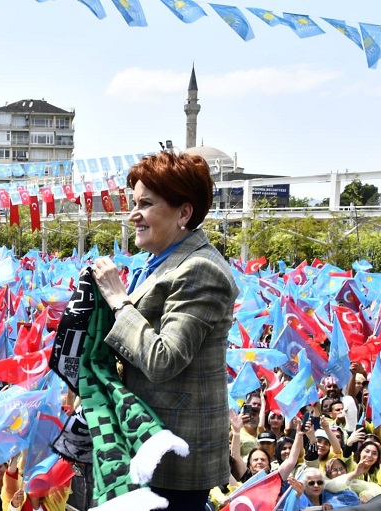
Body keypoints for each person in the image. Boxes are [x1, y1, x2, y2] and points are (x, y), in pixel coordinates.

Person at [92, 151, 237, 509]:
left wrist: (117, 299)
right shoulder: (159, 262)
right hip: (145, 447)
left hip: (175, 463)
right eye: (133, 202)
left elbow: (163, 359)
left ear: (184, 213)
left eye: (145, 204)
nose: (133, 214)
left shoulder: (200, 269)